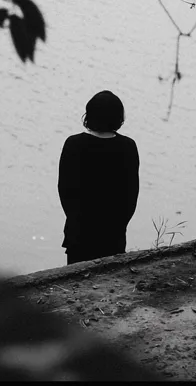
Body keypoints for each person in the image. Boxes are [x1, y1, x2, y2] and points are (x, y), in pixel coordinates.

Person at [57, 90, 140, 265]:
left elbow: (65, 191)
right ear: (119, 117)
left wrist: (76, 221)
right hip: (113, 233)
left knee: (76, 284)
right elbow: (131, 195)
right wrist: (119, 225)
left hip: (79, 234)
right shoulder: (128, 147)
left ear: (89, 115)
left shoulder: (73, 144)